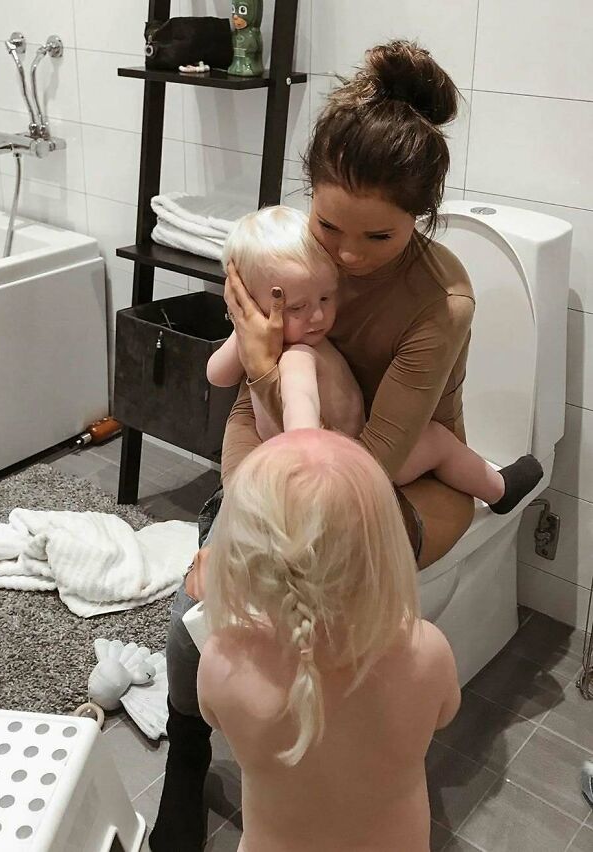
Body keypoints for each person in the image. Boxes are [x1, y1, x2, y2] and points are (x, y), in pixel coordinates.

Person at [148, 39, 538, 851]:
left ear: (419, 225)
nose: (348, 260)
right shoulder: (288, 253)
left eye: (380, 239)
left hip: (386, 480)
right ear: (307, 201)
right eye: (330, 227)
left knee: (308, 617)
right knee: (197, 612)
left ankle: (356, 774)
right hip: (278, 463)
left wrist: (263, 372)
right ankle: (188, 757)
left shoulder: (443, 300)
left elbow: (368, 465)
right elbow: (231, 366)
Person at [198, 429, 461, 852]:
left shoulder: (224, 661)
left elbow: (213, 718)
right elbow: (444, 714)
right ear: (383, 550)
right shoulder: (425, 653)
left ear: (243, 557)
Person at [208, 205, 542, 513]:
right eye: (296, 307)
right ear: (252, 303)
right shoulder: (292, 353)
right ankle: (498, 489)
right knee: (438, 440)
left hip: (320, 460)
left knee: (434, 438)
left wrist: (248, 337)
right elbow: (234, 385)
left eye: (326, 297)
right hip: (336, 465)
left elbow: (238, 385)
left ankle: (498, 490)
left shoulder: (285, 349)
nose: (319, 315)